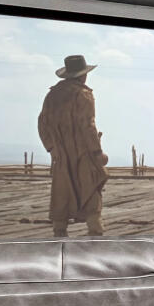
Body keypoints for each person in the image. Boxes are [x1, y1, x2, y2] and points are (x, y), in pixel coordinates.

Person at [39, 54, 108, 237]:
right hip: (83, 152)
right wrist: (97, 152)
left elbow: (42, 123)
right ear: (83, 75)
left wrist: (52, 148)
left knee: (62, 189)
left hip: (60, 154)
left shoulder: (52, 95)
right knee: (90, 185)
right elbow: (88, 126)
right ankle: (95, 229)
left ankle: (59, 229)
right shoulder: (83, 94)